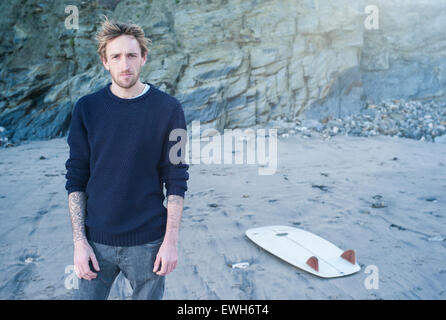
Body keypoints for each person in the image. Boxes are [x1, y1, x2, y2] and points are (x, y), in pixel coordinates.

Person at [64, 16, 189, 300]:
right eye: (116, 56)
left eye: (132, 55)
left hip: (149, 243)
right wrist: (79, 243)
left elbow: (177, 178)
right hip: (96, 241)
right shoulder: (87, 109)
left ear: (144, 57)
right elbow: (76, 178)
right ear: (105, 62)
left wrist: (170, 242)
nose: (125, 64)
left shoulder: (170, 110)